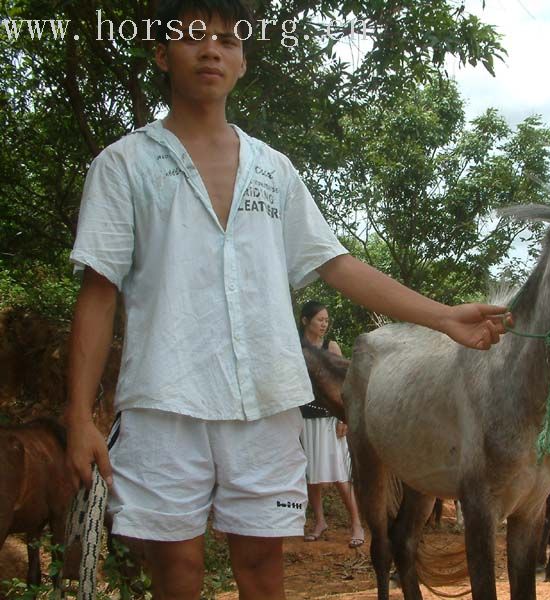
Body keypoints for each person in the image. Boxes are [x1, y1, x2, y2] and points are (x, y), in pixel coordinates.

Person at [64, 1, 508, 599]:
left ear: (243, 61)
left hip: (266, 404)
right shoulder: (124, 165)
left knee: (262, 572)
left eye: (227, 39)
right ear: (160, 52)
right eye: (194, 37)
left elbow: (337, 264)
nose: (212, 50)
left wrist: (443, 316)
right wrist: (77, 417)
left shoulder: (274, 170)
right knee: (175, 576)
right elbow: (99, 292)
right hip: (164, 405)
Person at [297, 301, 364, 548]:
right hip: (303, 417)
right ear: (305, 321)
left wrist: (342, 417)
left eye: (326, 320)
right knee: (311, 474)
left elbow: (344, 384)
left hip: (329, 417)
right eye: (319, 320)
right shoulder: (295, 347)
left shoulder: (330, 346)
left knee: (339, 473)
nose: (324, 324)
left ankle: (356, 523)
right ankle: (319, 522)